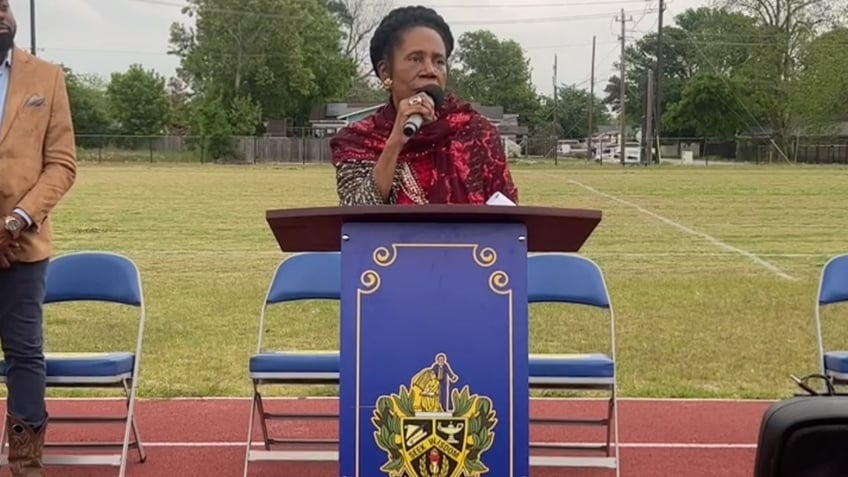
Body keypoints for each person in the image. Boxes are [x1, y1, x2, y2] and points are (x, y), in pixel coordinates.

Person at [330, 5, 519, 206]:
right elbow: (356, 218)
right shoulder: (357, 141)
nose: (430, 71)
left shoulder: (478, 133)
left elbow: (507, 221)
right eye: (416, 59)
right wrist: (395, 142)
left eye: (439, 61)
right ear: (385, 72)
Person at [0, 1, 78, 475]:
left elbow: (62, 163)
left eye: (5, 5)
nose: (2, 14)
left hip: (23, 246)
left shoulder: (46, 77)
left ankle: (26, 462)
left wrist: (15, 221)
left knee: (25, 352)